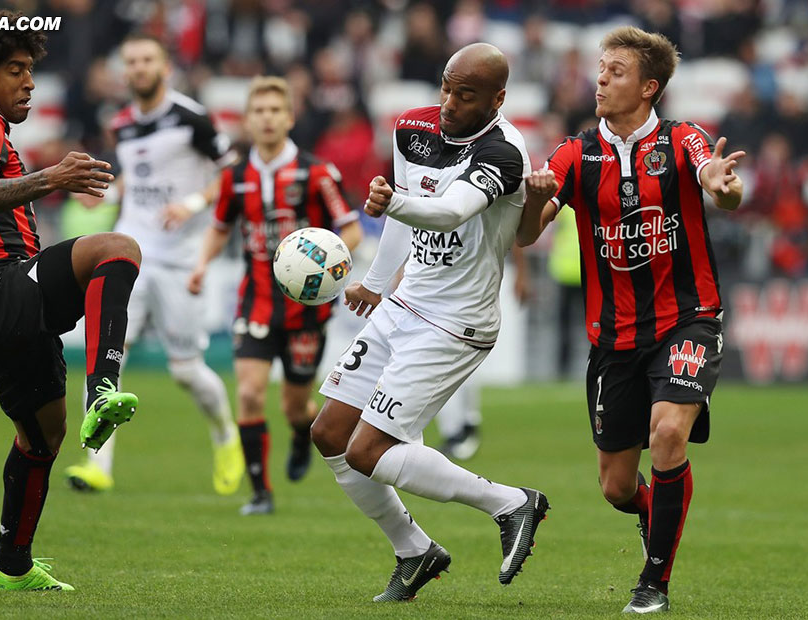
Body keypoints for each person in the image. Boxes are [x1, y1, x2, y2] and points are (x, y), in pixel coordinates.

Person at [310, 43, 553, 602]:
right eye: (446, 87)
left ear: (498, 99)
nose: (448, 103)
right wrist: (376, 280)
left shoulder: (504, 152)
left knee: (369, 451)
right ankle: (414, 550)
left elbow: (448, 212)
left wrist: (391, 203)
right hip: (405, 303)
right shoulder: (412, 129)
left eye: (464, 95)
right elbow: (406, 211)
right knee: (329, 434)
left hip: (456, 322)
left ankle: (511, 503)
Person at [517, 26, 745, 614]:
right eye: (600, 68)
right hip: (613, 337)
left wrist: (721, 186)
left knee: (667, 433)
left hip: (687, 319)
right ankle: (656, 518)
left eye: (615, 71)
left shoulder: (683, 140)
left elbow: (714, 182)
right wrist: (532, 200)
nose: (600, 78)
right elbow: (525, 235)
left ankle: (654, 584)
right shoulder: (574, 153)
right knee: (617, 487)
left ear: (649, 87)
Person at [0, 11, 142, 591]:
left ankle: (11, 566)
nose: (29, 82)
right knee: (116, 248)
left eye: (30, 70)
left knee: (43, 436)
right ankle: (106, 387)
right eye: (14, 70)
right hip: (0, 281)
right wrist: (54, 176)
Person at [63, 33, 243, 496]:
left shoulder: (192, 118)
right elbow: (138, 175)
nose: (139, 68)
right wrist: (107, 190)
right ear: (125, 71)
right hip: (127, 253)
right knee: (105, 360)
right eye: (132, 61)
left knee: (186, 371)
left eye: (147, 60)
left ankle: (225, 434)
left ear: (164, 67)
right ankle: (97, 466)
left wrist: (191, 202)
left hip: (179, 259)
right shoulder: (121, 123)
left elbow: (232, 172)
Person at [187, 76, 363, 515]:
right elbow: (220, 227)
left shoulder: (317, 173)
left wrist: (331, 260)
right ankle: (261, 493)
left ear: (289, 117)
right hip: (256, 301)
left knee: (296, 405)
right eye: (258, 111)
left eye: (273, 111)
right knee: (248, 393)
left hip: (306, 309)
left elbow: (352, 228)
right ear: (247, 121)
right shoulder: (234, 177)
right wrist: (201, 265)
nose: (265, 119)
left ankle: (302, 435)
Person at [434, 244, 531, 460]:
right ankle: (462, 425)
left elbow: (515, 232)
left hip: (474, 283)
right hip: (443, 281)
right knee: (448, 355)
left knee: (457, 354)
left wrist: (522, 273)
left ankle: (463, 426)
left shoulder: (485, 210)